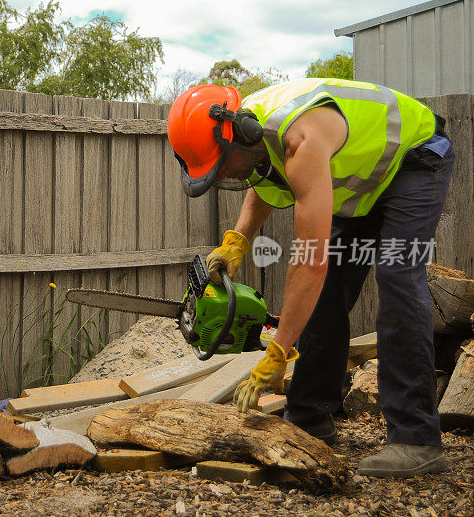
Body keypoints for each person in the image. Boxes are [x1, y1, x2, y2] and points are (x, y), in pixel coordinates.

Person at [166, 78, 453, 478]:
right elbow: (264, 179)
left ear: (238, 134)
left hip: (414, 158)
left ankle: (417, 439)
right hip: (363, 179)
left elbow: (309, 261)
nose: (226, 173)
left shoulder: (299, 136)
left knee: (398, 277)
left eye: (223, 163)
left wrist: (279, 352)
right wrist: (238, 240)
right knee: (329, 288)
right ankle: (310, 417)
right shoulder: (251, 130)